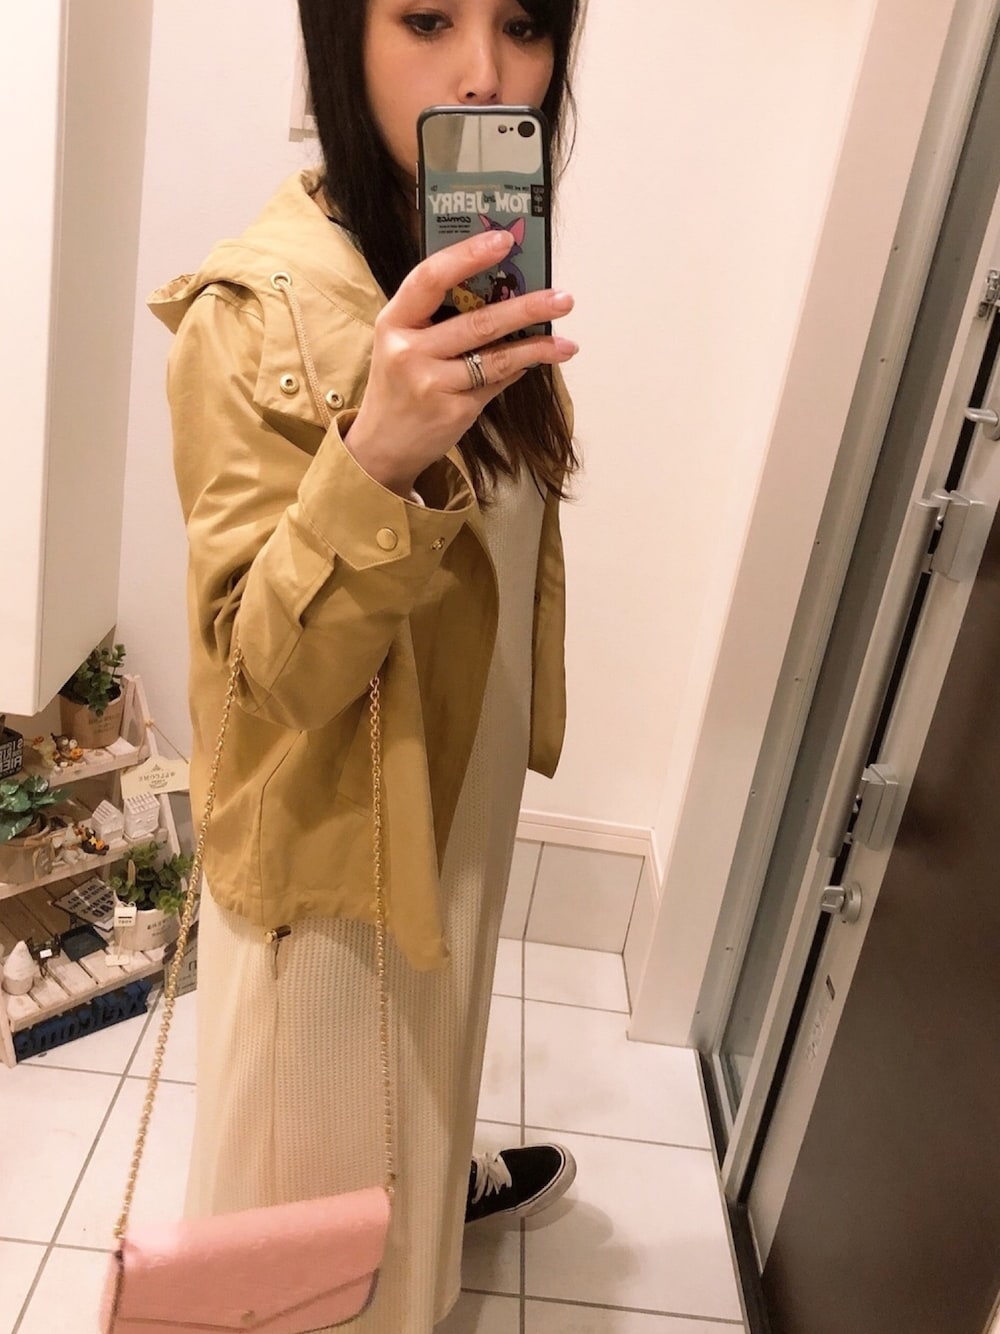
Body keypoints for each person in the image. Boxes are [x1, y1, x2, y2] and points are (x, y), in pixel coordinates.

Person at [148, 1, 583, 1328]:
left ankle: (432, 1215)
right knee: (302, 1233)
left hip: (449, 798)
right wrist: (374, 459)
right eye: (428, 18)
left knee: (410, 1111)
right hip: (335, 852)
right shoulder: (253, 316)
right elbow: (263, 678)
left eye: (524, 24)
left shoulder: (464, 263)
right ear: (342, 33)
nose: (484, 74)